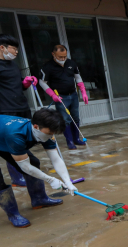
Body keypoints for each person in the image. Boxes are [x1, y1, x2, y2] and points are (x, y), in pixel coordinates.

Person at [0, 109, 77, 228]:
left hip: (4, 137)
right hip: (6, 135)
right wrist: (50, 180)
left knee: (33, 162)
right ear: (36, 127)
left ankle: (39, 199)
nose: (51, 135)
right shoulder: (16, 134)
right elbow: (25, 167)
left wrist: (67, 181)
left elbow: (56, 159)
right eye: (50, 132)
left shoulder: (45, 131)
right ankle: (13, 214)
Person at [0, 34, 39, 188]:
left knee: (24, 145)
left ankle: (27, 177)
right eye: (13, 49)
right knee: (12, 146)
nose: (16, 52)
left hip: (22, 108)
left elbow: (17, 86)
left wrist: (26, 82)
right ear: (2, 47)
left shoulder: (13, 65)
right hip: (6, 111)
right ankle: (17, 177)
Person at [39, 44, 89, 150]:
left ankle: (76, 139)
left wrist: (83, 92)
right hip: (61, 97)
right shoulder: (48, 67)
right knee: (66, 119)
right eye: (60, 57)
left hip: (73, 95)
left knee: (75, 117)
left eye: (64, 56)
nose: (63, 59)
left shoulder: (71, 63)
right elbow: (42, 83)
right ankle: (70, 142)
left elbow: (78, 78)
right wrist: (52, 95)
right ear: (53, 54)